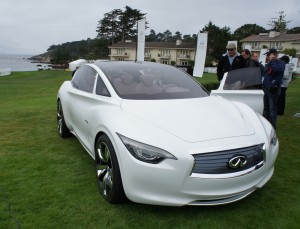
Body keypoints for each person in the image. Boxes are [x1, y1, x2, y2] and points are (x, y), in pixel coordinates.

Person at [262, 49, 285, 129]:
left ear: (274, 55)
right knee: (266, 108)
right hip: (266, 88)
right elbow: (265, 75)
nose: (267, 57)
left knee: (272, 109)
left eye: (268, 55)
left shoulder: (280, 63)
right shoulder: (269, 64)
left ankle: (272, 127)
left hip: (273, 89)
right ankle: (266, 125)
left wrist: (272, 61)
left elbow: (277, 70)